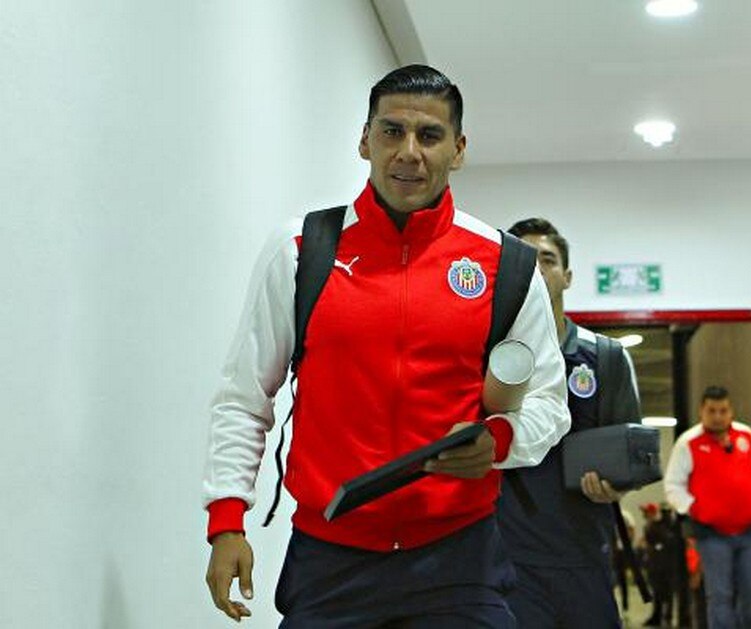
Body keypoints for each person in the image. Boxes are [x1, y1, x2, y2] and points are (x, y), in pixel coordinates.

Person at [201, 65, 571, 627]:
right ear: (364, 139)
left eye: (429, 136)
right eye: (392, 131)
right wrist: (227, 519)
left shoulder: (507, 264)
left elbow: (549, 401)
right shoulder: (302, 250)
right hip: (330, 561)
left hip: (459, 560)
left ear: (459, 148)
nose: (408, 152)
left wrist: (499, 439)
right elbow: (244, 396)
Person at [497, 217, 642, 628]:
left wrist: (617, 485)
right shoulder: (483, 357)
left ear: (568, 276)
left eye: (547, 259)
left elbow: (628, 455)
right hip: (506, 558)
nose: (537, 269)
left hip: (583, 555)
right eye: (524, 259)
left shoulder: (606, 358)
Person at [664, 386, 751, 629]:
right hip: (711, 533)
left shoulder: (747, 437)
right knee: (720, 594)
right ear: (702, 411)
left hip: (749, 529)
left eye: (723, 410)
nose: (717, 416)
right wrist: (696, 509)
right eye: (711, 410)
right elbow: (673, 486)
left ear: (730, 411)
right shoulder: (688, 443)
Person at [638, 503, 676, 627]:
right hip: (653, 564)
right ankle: (657, 616)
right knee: (656, 592)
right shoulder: (649, 525)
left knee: (667, 592)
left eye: (646, 513)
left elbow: (668, 541)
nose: (644, 515)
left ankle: (667, 617)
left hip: (664, 565)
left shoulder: (663, 525)